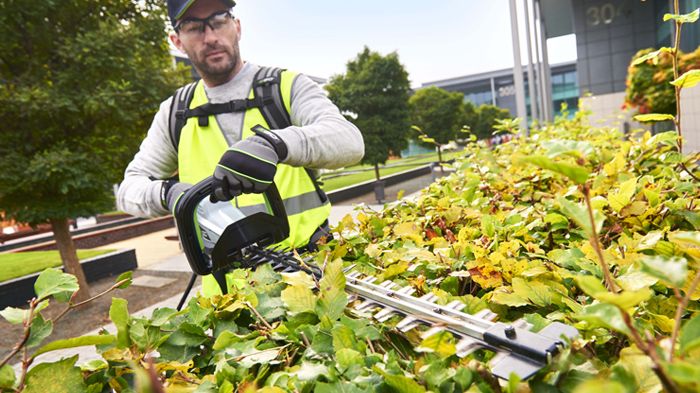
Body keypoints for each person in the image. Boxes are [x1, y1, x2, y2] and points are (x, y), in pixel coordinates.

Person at [117, 0, 364, 295]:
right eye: (194, 27)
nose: (210, 37)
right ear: (177, 41)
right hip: (227, 298)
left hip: (310, 277)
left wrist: (276, 143)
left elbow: (349, 141)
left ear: (237, 26)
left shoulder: (285, 87)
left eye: (219, 20)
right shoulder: (175, 112)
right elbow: (128, 190)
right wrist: (168, 193)